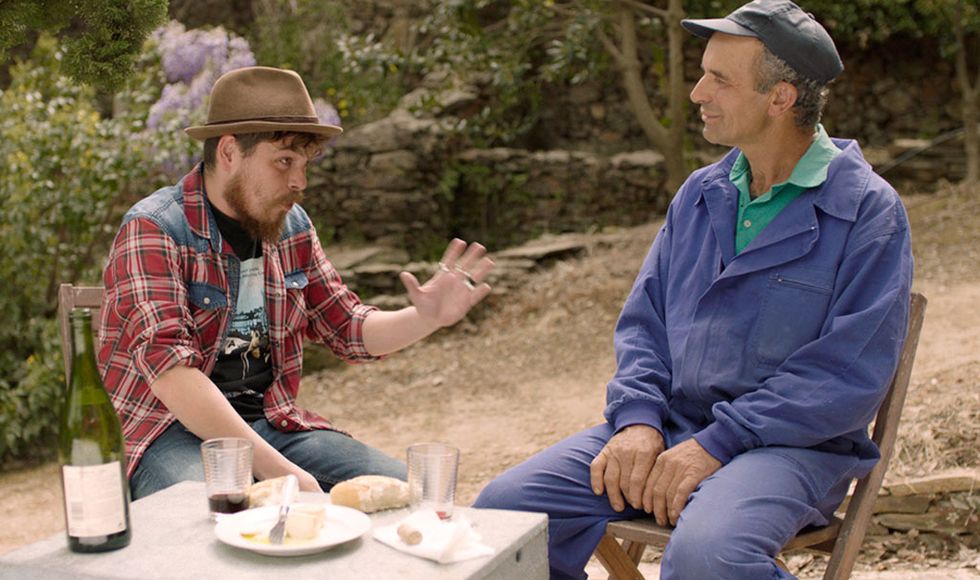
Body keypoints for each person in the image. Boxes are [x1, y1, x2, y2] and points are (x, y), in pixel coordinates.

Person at [473, 1, 913, 578]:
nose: (696, 93)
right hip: (670, 427)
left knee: (708, 553)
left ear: (780, 98)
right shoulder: (701, 192)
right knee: (505, 519)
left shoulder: (867, 212)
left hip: (791, 448)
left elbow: (845, 377)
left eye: (719, 80)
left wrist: (719, 442)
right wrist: (636, 419)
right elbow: (644, 324)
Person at [98, 66, 495, 499]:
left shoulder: (291, 226)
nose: (299, 182)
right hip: (167, 431)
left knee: (408, 494)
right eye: (284, 162)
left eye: (304, 165)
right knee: (218, 523)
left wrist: (425, 317)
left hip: (269, 423)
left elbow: (347, 327)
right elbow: (172, 376)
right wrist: (283, 473)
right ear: (229, 152)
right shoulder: (154, 228)